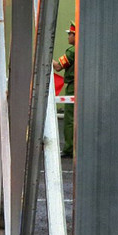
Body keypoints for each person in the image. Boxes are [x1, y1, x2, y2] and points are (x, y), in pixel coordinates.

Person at [52, 20, 76, 158]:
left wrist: (46, 58)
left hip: (73, 87)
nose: (68, 37)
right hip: (83, 85)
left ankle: (69, 148)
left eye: (70, 34)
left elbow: (58, 66)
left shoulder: (72, 50)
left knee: (70, 119)